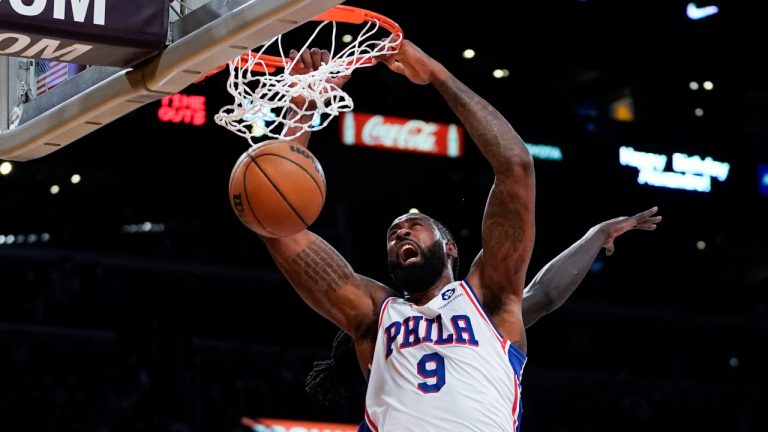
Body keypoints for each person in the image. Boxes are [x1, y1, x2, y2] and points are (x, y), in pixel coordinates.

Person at [305, 207, 662, 406]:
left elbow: (545, 294)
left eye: (415, 226)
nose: (401, 233)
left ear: (450, 248)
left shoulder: (481, 303)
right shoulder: (383, 312)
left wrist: (597, 234)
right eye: (393, 233)